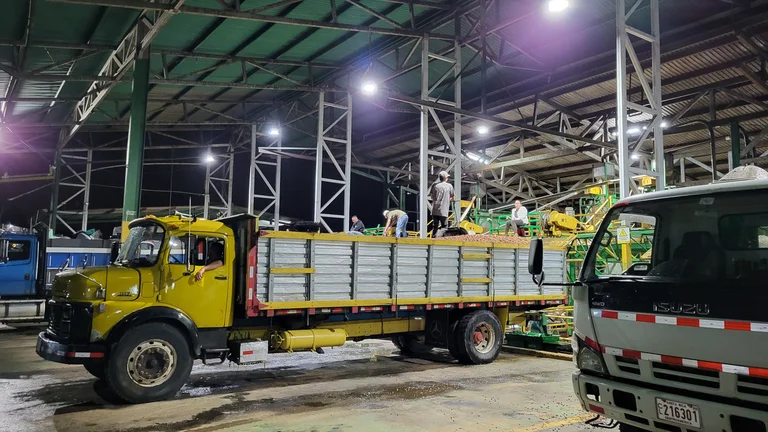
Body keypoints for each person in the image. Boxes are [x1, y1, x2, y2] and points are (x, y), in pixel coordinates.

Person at [430, 171, 454, 238]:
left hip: (434, 209)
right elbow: (453, 197)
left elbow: (432, 196)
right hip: (443, 210)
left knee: (435, 226)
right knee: (444, 227)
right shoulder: (449, 186)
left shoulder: (434, 185)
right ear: (446, 178)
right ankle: (440, 239)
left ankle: (433, 239)